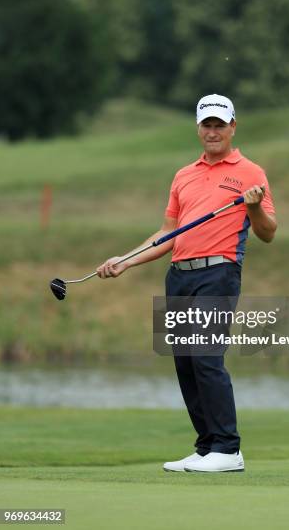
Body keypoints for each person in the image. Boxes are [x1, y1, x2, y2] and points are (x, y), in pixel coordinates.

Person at [97, 94, 277, 473]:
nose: (213, 132)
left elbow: (268, 233)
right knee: (185, 363)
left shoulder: (251, 173)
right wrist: (124, 261)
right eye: (206, 125)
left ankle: (228, 449)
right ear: (198, 128)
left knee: (205, 358)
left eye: (219, 125)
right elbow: (166, 234)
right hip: (179, 275)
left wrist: (254, 206)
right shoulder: (184, 175)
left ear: (233, 127)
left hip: (219, 273)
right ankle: (208, 445)